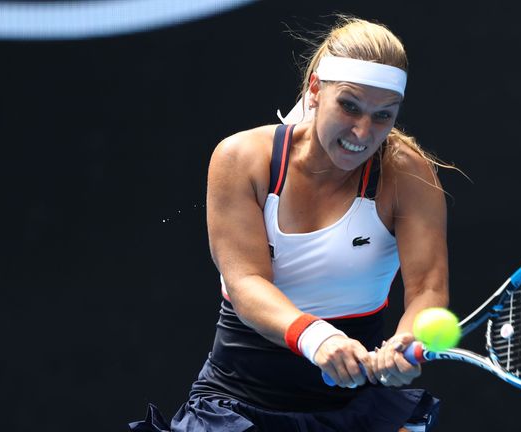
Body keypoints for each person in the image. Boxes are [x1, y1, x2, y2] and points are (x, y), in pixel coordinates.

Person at [130, 15, 450, 432]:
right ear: (316, 90)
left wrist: (409, 341)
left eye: (382, 115)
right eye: (349, 106)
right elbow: (245, 282)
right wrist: (320, 339)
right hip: (235, 405)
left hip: (359, 411)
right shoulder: (242, 158)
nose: (362, 131)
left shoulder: (408, 175)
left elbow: (428, 288)